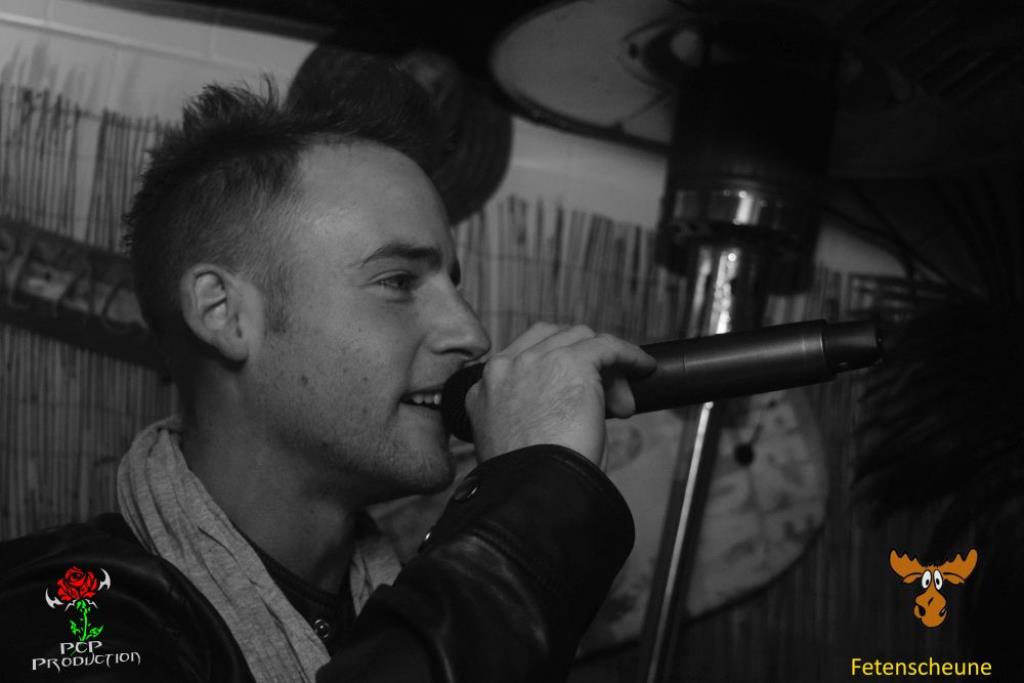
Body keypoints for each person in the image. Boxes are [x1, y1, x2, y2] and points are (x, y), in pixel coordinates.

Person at [0, 63, 655, 683]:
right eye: (398, 281)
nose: (471, 334)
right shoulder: (65, 615)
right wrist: (533, 501)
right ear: (224, 313)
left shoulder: (382, 609)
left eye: (453, 285)